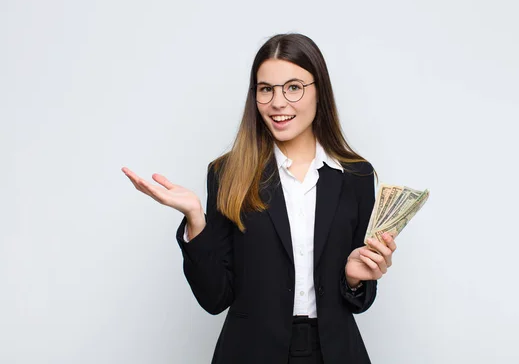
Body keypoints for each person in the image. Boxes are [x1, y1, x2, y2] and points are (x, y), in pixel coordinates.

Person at [122, 33, 397, 364]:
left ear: (319, 91)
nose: (278, 102)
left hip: (335, 353)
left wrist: (354, 279)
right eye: (266, 89)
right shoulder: (228, 174)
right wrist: (196, 219)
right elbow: (215, 297)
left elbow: (359, 301)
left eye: (293, 87)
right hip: (249, 352)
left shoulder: (356, 176)